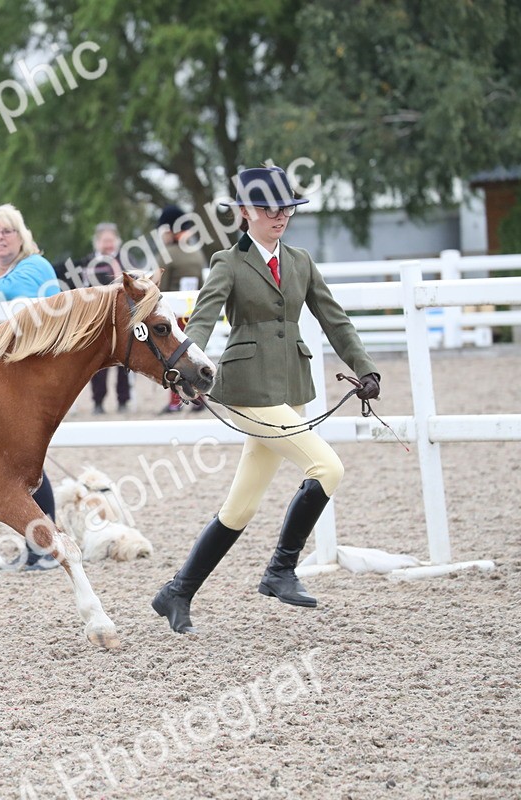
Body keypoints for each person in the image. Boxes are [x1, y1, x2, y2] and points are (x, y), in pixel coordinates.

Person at [151, 166, 381, 634]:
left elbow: (335, 321)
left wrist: (366, 368)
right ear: (243, 213)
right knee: (327, 467)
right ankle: (280, 570)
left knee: (240, 506)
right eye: (270, 209)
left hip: (289, 388)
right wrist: (185, 368)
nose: (280, 217)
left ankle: (177, 591)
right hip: (247, 389)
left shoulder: (300, 261)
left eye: (286, 209)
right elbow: (203, 319)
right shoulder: (227, 263)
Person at [0, 203, 62, 571]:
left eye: (7, 231)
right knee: (9, 461)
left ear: (21, 236)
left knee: (25, 462)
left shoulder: (34, 266)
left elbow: (7, 297)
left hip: (29, 374)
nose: (1, 237)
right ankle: (41, 544)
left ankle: (47, 545)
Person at [67, 222, 130, 414]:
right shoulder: (86, 262)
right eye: (105, 241)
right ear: (97, 242)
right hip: (96, 318)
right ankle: (98, 402)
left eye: (111, 240)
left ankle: (123, 401)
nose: (108, 245)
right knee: (98, 363)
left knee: (124, 362)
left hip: (122, 319)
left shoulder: (125, 260)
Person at [150, 205, 207, 414]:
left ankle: (175, 402)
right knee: (195, 356)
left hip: (172, 316)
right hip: (192, 313)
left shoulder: (167, 254)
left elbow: (156, 286)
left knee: (172, 358)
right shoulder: (196, 253)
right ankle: (199, 398)